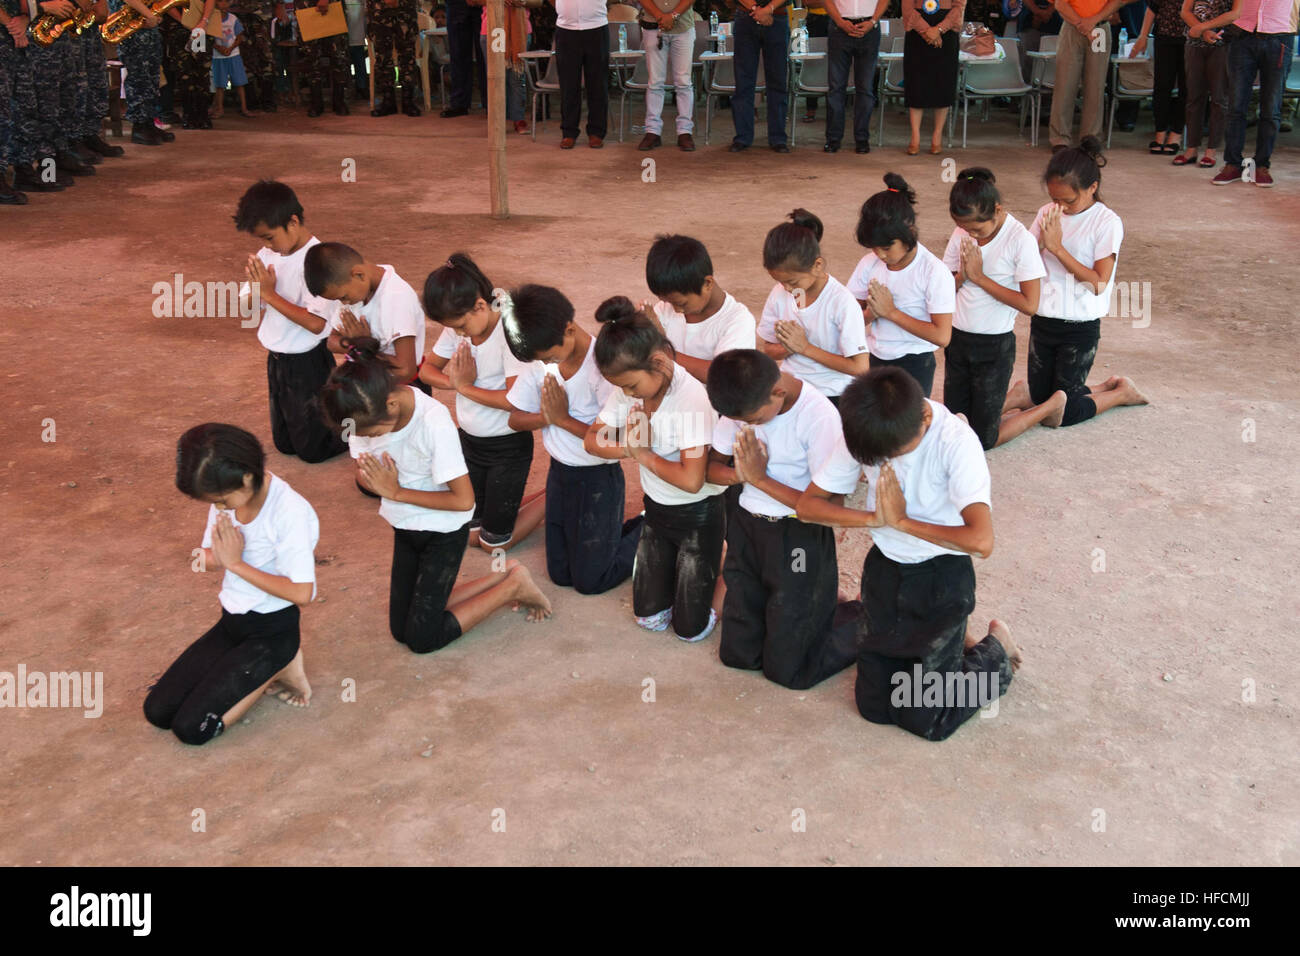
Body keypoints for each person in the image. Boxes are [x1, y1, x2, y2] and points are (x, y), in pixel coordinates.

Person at [798, 368, 1022, 741]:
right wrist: (872, 518)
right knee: (874, 709)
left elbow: (981, 541)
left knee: (924, 719)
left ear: (925, 418)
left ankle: (996, 652)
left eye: (893, 454)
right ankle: (950, 643)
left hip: (943, 576)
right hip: (885, 570)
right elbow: (808, 507)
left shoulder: (956, 443)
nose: (883, 461)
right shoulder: (867, 428)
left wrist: (901, 522)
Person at [320, 336, 553, 655]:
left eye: (372, 434)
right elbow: (363, 465)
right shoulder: (362, 412)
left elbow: (463, 502)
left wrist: (397, 491)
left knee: (421, 639)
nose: (368, 440)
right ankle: (506, 577)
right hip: (405, 525)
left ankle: (512, 586)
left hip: (443, 531)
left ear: (390, 405)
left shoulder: (432, 421)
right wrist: (378, 482)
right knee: (400, 630)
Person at [144, 424, 318, 746]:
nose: (220, 509)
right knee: (157, 710)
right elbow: (201, 559)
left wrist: (235, 563)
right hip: (232, 622)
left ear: (247, 477)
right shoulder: (227, 498)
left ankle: (280, 665)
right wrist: (217, 558)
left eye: (222, 500)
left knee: (193, 729)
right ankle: (269, 668)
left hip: (272, 631)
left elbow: (302, 593)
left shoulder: (288, 512)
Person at [705, 349, 861, 689]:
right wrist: (740, 477)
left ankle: (867, 617)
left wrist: (760, 479)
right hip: (748, 525)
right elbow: (711, 469)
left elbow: (830, 505)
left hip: (799, 536)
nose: (748, 426)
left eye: (756, 420)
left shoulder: (819, 418)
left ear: (778, 392)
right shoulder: (742, 406)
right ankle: (819, 602)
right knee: (738, 656)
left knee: (790, 671)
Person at [584, 296, 726, 643]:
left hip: (698, 516)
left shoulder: (692, 401)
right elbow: (591, 439)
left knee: (689, 630)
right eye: (621, 388)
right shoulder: (631, 390)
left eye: (631, 385)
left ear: (659, 363)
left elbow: (692, 481)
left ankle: (732, 569)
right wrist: (629, 449)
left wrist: (642, 453)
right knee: (650, 619)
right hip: (658, 513)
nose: (626, 394)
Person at [504, 284, 644, 593]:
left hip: (598, 478)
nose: (548, 365)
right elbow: (515, 419)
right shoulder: (539, 362)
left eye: (551, 357)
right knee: (560, 574)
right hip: (559, 475)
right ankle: (613, 536)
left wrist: (562, 419)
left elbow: (620, 440)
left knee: (592, 581)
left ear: (569, 329)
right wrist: (547, 417)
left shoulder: (604, 367)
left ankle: (652, 526)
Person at [1008, 137, 1148, 428]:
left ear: (1092, 188)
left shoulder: (1106, 222)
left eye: (1068, 200)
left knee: (1062, 413)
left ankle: (1120, 393)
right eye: (1054, 198)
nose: (1060, 206)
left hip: (1079, 326)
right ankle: (1033, 392)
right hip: (1045, 317)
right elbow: (1026, 258)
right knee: (1045, 400)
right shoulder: (1047, 211)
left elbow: (1098, 283)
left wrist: (1057, 248)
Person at [422, 254, 546, 552]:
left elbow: (516, 401)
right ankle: (512, 504)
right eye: (454, 328)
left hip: (507, 448)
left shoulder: (510, 331)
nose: (459, 333)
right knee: (467, 532)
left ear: (480, 305)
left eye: (462, 326)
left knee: (493, 545)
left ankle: (554, 495)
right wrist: (455, 383)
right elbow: (426, 369)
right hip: (469, 441)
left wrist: (464, 387)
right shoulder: (460, 323)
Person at [233, 180, 348, 463]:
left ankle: (354, 428)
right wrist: (257, 293)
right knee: (285, 444)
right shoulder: (267, 255)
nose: (267, 245)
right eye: (262, 240)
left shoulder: (318, 261)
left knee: (313, 452)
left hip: (308, 362)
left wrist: (270, 295)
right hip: (277, 360)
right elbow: (247, 306)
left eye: (270, 237)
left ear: (293, 221)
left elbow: (317, 324)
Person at [942, 167, 1055, 449]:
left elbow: (1030, 304)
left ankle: (1047, 407)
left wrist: (979, 278)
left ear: (997, 209)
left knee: (983, 439)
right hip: (957, 339)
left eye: (977, 229)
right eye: (965, 228)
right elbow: (944, 289)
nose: (971, 234)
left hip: (994, 346)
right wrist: (961, 278)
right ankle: (1014, 398)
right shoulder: (962, 232)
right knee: (955, 425)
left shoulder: (1020, 241)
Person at [847, 174, 954, 397]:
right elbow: (848, 318)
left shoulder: (933, 271)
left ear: (910, 232)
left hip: (915, 363)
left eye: (886, 247)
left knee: (906, 426)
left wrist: (891, 313)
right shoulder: (869, 263)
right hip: (875, 355)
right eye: (874, 248)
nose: (880, 254)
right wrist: (871, 314)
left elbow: (942, 336)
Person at [757, 208, 870, 408]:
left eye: (792, 281)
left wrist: (805, 347)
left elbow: (860, 367)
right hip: (793, 389)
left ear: (817, 265)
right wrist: (787, 347)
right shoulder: (779, 294)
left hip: (834, 395)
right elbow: (768, 348)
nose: (787, 288)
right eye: (780, 282)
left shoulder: (841, 302)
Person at [304, 242, 427, 388]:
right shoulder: (353, 288)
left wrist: (363, 346)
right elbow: (331, 341)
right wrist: (360, 345)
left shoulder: (396, 299)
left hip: (400, 390)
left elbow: (406, 370)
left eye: (343, 297)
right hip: (370, 380)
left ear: (359, 275)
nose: (344, 303)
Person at [644, 234, 757, 384]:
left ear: (708, 284)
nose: (676, 310)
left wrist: (665, 351)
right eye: (668, 302)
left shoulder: (738, 321)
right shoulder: (665, 310)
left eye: (682, 303)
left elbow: (724, 376)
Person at [1211, 0, 1295, 187]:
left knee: (1271, 108)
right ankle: (1232, 163)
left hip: (1279, 35)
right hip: (1242, 35)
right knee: (1236, 105)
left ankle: (1262, 165)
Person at [1050, 0, 1131, 150]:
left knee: (1096, 86)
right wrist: (1084, 26)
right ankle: (1060, 138)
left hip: (1099, 29)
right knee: (1065, 85)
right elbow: (1060, 5)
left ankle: (1090, 138)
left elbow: (1117, 2)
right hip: (1072, 28)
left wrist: (1092, 21)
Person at [1174, 0, 1240, 168]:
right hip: (1194, 43)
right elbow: (1185, 11)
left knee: (1219, 99)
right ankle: (1191, 148)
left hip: (1223, 43)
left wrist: (1203, 28)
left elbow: (1235, 13)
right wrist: (1203, 31)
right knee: (1194, 97)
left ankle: (1212, 150)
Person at [821, 0, 889, 153]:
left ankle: (862, 139)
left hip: (869, 28)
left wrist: (872, 22)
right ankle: (833, 139)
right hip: (839, 28)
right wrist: (840, 21)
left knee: (865, 88)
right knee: (836, 87)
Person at [901, 0, 965, 155]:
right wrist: (926, 30)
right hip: (917, 32)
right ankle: (915, 136)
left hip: (947, 32)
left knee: (943, 83)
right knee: (916, 83)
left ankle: (937, 135)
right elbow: (907, 8)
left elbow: (959, 7)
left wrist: (940, 29)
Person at [728, 0, 791, 151]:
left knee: (778, 81)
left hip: (777, 16)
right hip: (746, 16)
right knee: (743, 81)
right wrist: (758, 11)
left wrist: (768, 9)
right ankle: (743, 136)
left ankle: (778, 137)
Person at [635, 0, 697, 151]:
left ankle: (685, 131)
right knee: (655, 82)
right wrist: (660, 16)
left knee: (683, 82)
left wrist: (673, 16)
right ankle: (652, 131)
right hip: (653, 26)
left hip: (683, 27)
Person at [553, 0, 609, 147]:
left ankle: (596, 132)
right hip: (566, 28)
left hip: (596, 26)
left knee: (598, 84)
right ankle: (569, 132)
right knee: (568, 84)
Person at [474, 0, 535, 133]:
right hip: (494, 30)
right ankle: (497, 121)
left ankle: (518, 119)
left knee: (517, 77)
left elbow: (539, 2)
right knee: (496, 78)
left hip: (520, 30)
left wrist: (522, 1)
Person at [1133, 0, 1186, 153]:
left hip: (1191, 39)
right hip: (1164, 36)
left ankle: (1176, 134)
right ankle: (1160, 132)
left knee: (1186, 89)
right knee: (1162, 87)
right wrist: (1143, 36)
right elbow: (1152, 8)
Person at [294, 0, 351, 116]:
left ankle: (339, 102)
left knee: (338, 56)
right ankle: (316, 103)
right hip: (306, 8)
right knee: (311, 57)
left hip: (331, 7)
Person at [368, 0, 421, 117]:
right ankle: (388, 100)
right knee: (382, 56)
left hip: (404, 9)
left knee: (407, 54)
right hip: (379, 10)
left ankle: (408, 100)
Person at [211, 0, 255, 118]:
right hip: (218, 56)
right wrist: (219, 48)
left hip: (234, 55)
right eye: (221, 2)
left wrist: (230, 48)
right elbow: (210, 39)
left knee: (240, 83)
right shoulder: (211, 20)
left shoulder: (233, 19)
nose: (224, 4)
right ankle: (219, 109)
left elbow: (239, 37)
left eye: (225, 1)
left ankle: (244, 108)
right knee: (220, 84)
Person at [443, 0, 486, 117]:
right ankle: (459, 103)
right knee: (458, 54)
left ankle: (490, 102)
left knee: (486, 55)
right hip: (456, 5)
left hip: (483, 4)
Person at [231, 0, 277, 110]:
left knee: (266, 56)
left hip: (261, 15)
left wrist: (280, 6)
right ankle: (249, 100)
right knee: (242, 57)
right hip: (235, 16)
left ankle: (267, 99)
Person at [1004, 0, 1062, 78]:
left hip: (1055, 25)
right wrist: (1038, 12)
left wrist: (1046, 13)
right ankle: (1027, 86)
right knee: (1027, 63)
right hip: (1028, 24)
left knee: (1051, 64)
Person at [802, 2, 830, 123]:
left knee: (836, 63)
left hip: (838, 20)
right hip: (815, 20)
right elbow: (807, 2)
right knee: (813, 62)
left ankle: (834, 108)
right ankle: (811, 108)